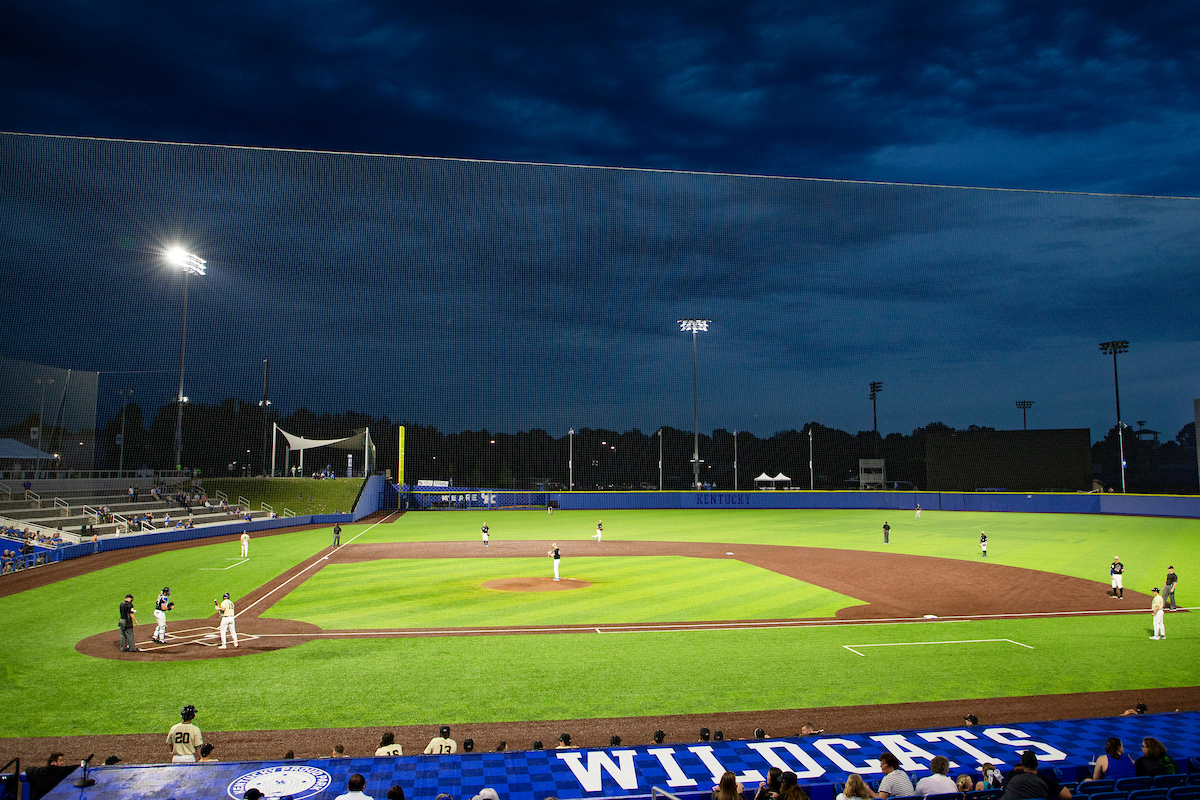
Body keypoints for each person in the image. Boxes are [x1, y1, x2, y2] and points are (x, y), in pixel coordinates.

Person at [1002, 750, 1070, 800]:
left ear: (1022, 764)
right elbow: (1067, 796)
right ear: (1037, 764)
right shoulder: (1046, 780)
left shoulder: (1011, 775)